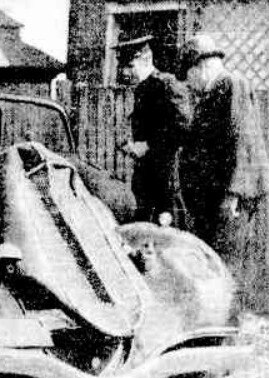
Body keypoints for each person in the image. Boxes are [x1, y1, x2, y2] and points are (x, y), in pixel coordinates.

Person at [180, 34, 269, 312]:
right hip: (217, 197)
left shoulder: (232, 85)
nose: (190, 86)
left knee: (226, 264)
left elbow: (242, 140)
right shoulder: (217, 91)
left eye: (188, 78)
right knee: (217, 262)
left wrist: (233, 194)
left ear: (199, 67)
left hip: (230, 199)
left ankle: (227, 328)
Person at [112, 35, 191, 227]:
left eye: (130, 66)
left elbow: (184, 127)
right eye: (122, 66)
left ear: (146, 60)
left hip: (166, 182)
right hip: (145, 180)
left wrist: (147, 146)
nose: (124, 72)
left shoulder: (166, 84)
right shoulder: (142, 89)